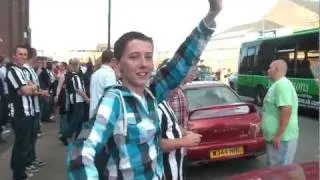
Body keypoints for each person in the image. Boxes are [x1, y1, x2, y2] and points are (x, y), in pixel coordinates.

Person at [67, 1, 222, 179]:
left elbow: (182, 62)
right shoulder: (115, 100)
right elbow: (81, 152)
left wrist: (212, 14)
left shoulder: (151, 95)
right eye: (134, 57)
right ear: (118, 66)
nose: (143, 63)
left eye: (148, 57)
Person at [6, 45, 39, 180]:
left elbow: (30, 88)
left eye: (25, 55)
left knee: (25, 144)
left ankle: (20, 171)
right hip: (20, 114)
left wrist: (30, 87)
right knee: (21, 146)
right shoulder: (12, 71)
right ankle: (18, 174)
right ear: (14, 55)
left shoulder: (23, 71)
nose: (23, 57)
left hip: (28, 112)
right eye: (20, 54)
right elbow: (25, 90)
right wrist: (30, 87)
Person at [262, 59, 299, 166]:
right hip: (276, 137)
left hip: (283, 139)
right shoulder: (276, 85)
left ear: (276, 70)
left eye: (270, 68)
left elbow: (286, 110)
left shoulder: (282, 85)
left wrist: (278, 135)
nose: (268, 70)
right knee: (274, 169)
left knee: (280, 172)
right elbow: (270, 110)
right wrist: (261, 124)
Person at [22, 47, 48, 171]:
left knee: (33, 136)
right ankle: (27, 162)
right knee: (29, 137)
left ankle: (31, 159)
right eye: (36, 57)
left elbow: (34, 87)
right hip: (30, 108)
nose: (37, 60)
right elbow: (29, 89)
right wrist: (40, 92)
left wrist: (41, 91)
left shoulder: (31, 70)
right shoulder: (26, 70)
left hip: (35, 107)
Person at [60, 58, 90, 145]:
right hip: (78, 100)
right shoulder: (75, 76)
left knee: (78, 119)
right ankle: (65, 135)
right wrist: (86, 98)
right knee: (76, 119)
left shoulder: (70, 75)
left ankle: (76, 137)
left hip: (76, 99)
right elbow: (78, 89)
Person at [89, 49, 117, 119]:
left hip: (93, 109)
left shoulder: (95, 74)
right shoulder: (110, 74)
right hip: (104, 113)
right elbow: (110, 96)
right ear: (113, 60)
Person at [54, 62, 70, 144]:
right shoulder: (63, 74)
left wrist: (57, 95)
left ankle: (62, 132)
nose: (59, 66)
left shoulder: (63, 74)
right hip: (64, 96)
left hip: (63, 95)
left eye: (60, 65)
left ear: (64, 66)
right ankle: (63, 133)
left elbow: (59, 85)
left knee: (63, 115)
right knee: (64, 115)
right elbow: (59, 85)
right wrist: (57, 95)